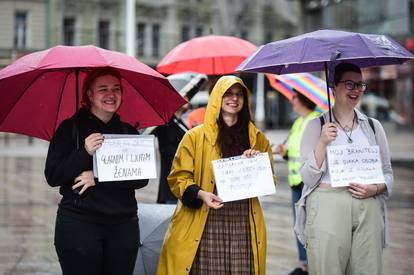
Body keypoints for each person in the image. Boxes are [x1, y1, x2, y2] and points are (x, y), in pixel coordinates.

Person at [157, 75, 276, 275]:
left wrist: (257, 163)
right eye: (228, 93)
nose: (234, 99)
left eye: (239, 94)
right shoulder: (194, 136)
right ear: (216, 98)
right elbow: (178, 178)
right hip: (205, 218)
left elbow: (270, 179)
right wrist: (201, 194)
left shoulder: (257, 138)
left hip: (243, 219)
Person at [44, 67, 148, 275]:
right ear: (89, 95)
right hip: (79, 225)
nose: (111, 95)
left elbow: (141, 178)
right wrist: (84, 152)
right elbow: (53, 175)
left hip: (123, 226)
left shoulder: (129, 131)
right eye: (103, 89)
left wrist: (98, 177)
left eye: (116, 89)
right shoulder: (70, 129)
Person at [295, 63, 393, 275]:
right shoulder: (316, 126)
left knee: (368, 268)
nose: (356, 90)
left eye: (360, 84)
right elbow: (308, 178)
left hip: (368, 206)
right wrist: (322, 142)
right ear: (334, 88)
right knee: (327, 268)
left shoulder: (374, 127)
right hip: (327, 204)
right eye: (349, 84)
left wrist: (375, 189)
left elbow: (387, 173)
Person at [275, 92, 319, 275]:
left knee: (311, 224)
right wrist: (284, 152)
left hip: (308, 182)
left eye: (294, 99)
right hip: (296, 182)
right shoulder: (298, 122)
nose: (292, 103)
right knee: (299, 225)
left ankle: (313, 264)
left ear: (303, 100)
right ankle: (304, 264)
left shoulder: (315, 121)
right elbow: (295, 151)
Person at [153, 96, 190, 204]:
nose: (187, 98)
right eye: (183, 95)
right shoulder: (166, 123)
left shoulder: (179, 121)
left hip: (183, 177)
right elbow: (167, 150)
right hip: (172, 178)